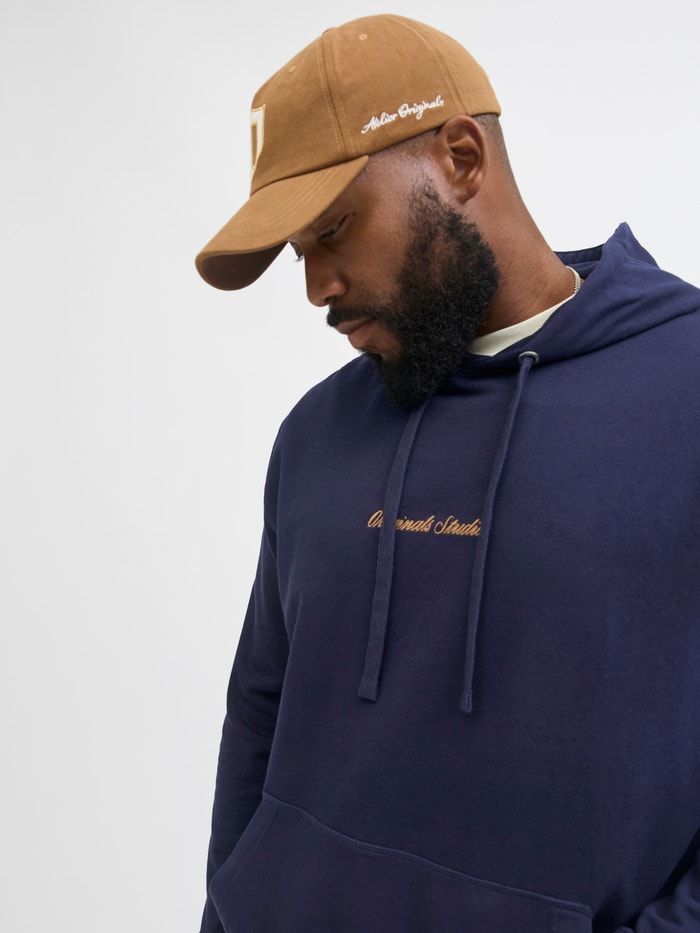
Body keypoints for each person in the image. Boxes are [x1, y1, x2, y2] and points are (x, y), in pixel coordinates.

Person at [194, 14, 700, 933]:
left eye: (334, 227)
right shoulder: (314, 434)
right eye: (300, 251)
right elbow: (258, 713)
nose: (316, 286)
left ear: (462, 158)